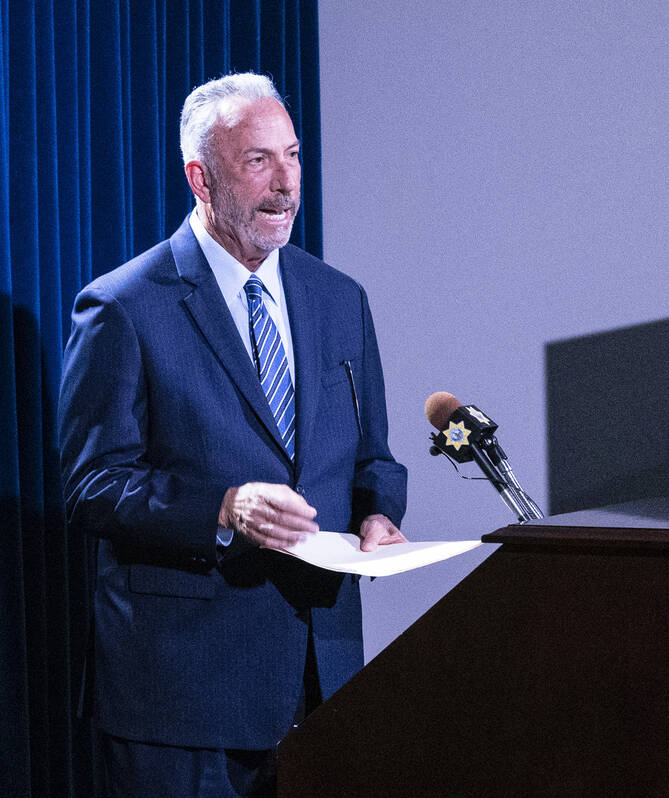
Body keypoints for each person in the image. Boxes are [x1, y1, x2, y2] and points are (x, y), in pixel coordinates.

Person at [58, 73, 409, 797]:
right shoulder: (123, 307)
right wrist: (222, 508)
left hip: (323, 677)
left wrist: (380, 513)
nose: (285, 184)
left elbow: (374, 458)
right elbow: (93, 486)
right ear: (201, 177)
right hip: (182, 697)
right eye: (258, 161)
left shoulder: (338, 298)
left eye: (292, 155)